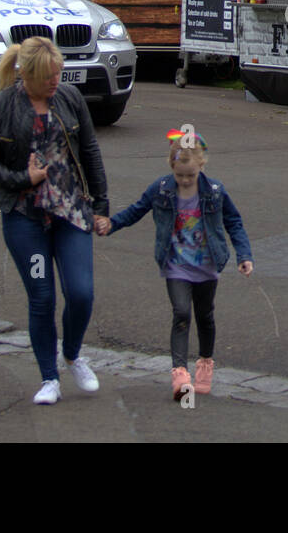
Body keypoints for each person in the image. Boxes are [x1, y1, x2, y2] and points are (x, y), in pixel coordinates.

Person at [0, 36, 110, 405]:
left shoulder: (70, 99)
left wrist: (101, 206)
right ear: (28, 75)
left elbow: (91, 152)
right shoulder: (0, 105)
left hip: (70, 211)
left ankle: (73, 354)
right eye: (49, 76)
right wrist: (22, 179)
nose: (56, 81)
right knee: (42, 296)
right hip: (25, 217)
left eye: (59, 73)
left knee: (81, 294)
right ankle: (49, 377)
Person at [97, 130, 253, 401]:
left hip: (206, 265)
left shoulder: (215, 191)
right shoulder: (161, 189)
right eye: (180, 175)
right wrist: (112, 224)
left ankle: (205, 362)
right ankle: (180, 373)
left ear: (201, 166)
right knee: (181, 312)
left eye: (190, 175)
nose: (184, 180)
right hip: (176, 264)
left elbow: (234, 222)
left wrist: (244, 255)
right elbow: (136, 210)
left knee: (205, 315)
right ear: (172, 167)